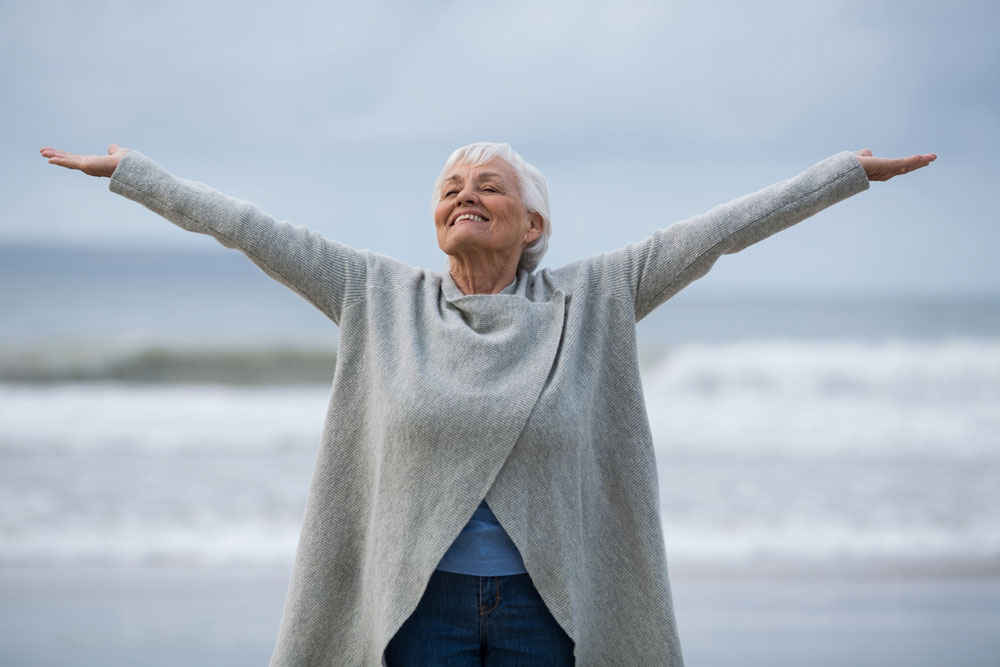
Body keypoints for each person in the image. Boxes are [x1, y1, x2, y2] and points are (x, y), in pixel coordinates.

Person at [40, 141, 935, 666]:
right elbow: (248, 229)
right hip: (414, 610)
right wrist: (133, 172)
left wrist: (847, 173)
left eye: (489, 186)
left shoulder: (600, 298)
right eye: (449, 189)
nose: (465, 193)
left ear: (534, 225)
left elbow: (722, 233)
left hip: (548, 612)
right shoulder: (374, 295)